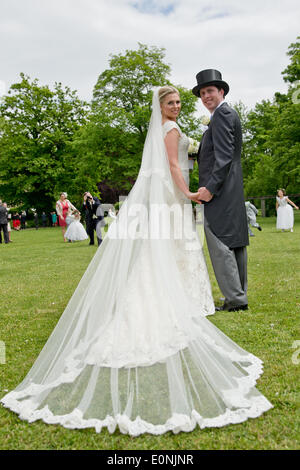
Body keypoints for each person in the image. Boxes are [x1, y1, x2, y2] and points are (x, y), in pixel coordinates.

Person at [0, 87, 272, 436]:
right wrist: (188, 194)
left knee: (162, 249)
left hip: (163, 195)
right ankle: (177, 298)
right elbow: (175, 165)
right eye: (170, 102)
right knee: (176, 246)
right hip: (173, 195)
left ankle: (171, 293)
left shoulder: (161, 130)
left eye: (177, 102)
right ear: (160, 107)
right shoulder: (170, 131)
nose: (176, 106)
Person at [193, 69, 249, 312]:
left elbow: (224, 158)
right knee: (235, 241)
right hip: (232, 186)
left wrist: (210, 189)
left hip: (221, 189)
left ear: (221, 91)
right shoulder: (225, 114)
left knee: (220, 241)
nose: (206, 96)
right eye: (203, 93)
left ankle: (235, 299)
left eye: (210, 91)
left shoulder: (222, 115)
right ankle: (238, 296)